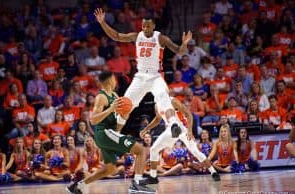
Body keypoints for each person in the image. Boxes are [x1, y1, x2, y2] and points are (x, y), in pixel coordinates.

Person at [94, 8, 192, 139]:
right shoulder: (137, 36)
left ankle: (174, 125)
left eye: (148, 26)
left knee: (164, 99)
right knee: (125, 104)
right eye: (143, 26)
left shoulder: (161, 38)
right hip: (140, 77)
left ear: (154, 26)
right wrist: (102, 23)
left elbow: (179, 51)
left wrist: (185, 43)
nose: (145, 28)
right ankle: (115, 133)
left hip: (155, 76)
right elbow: (116, 36)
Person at [66, 71, 155, 194]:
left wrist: (124, 115)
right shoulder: (101, 97)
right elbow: (93, 119)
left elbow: (121, 116)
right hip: (104, 132)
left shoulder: (114, 94)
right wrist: (111, 109)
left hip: (109, 133)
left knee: (110, 169)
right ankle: (136, 184)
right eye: (114, 79)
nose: (115, 81)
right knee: (140, 150)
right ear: (108, 81)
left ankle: (78, 186)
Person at [139, 97, 220, 183]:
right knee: (154, 149)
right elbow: (158, 119)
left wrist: (189, 130)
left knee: (195, 151)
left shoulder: (173, 101)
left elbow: (189, 114)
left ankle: (213, 172)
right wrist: (145, 129)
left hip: (183, 127)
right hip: (170, 130)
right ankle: (153, 177)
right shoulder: (157, 105)